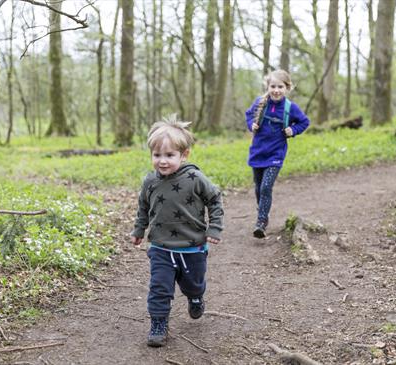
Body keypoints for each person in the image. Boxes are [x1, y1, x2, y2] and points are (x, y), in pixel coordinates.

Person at [131, 115, 224, 347]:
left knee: (193, 283)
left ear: (184, 155)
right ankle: (159, 323)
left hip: (192, 246)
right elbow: (143, 207)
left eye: (169, 155)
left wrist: (214, 227)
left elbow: (214, 199)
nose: (162, 161)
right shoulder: (150, 181)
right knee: (159, 288)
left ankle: (195, 297)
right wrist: (139, 229)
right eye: (157, 155)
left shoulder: (194, 178)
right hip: (160, 247)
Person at [246, 69, 310, 238]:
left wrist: (293, 130)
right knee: (259, 188)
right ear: (267, 86)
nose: (276, 90)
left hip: (276, 154)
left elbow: (304, 122)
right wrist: (251, 124)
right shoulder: (260, 103)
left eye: (280, 87)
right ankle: (262, 210)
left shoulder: (290, 108)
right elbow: (248, 115)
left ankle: (261, 221)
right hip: (258, 152)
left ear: (287, 88)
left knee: (266, 187)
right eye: (273, 86)